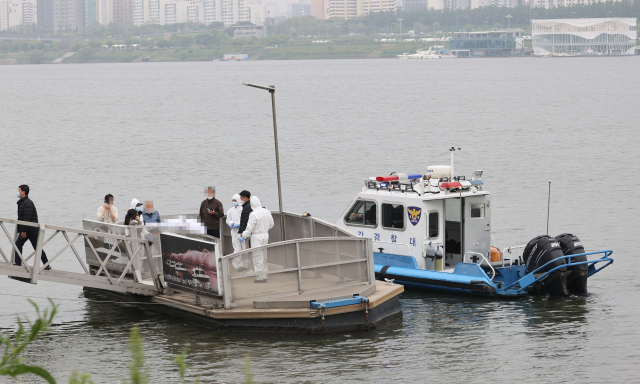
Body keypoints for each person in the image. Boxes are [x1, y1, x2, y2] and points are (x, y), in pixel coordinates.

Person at [14, 185, 51, 270]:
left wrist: (23, 231)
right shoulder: (22, 202)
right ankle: (18, 263)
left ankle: (46, 265)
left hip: (31, 230)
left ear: (23, 192)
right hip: (27, 229)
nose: (18, 192)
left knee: (36, 247)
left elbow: (27, 218)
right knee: (18, 244)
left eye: (19, 190)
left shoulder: (28, 203)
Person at [241, 196, 274, 283]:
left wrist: (243, 236)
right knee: (264, 255)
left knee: (257, 256)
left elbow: (249, 228)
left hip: (256, 236)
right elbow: (272, 224)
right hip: (265, 235)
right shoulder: (267, 211)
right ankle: (264, 274)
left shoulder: (253, 214)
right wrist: (264, 229)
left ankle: (260, 277)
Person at [226, 194, 248, 271]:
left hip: (242, 232)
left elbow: (246, 219)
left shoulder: (243, 208)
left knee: (245, 249)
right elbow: (228, 220)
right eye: (232, 200)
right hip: (234, 232)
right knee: (237, 249)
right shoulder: (230, 210)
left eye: (235, 200)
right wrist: (231, 223)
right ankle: (238, 266)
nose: (233, 202)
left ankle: (246, 265)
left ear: (238, 200)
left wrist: (240, 225)